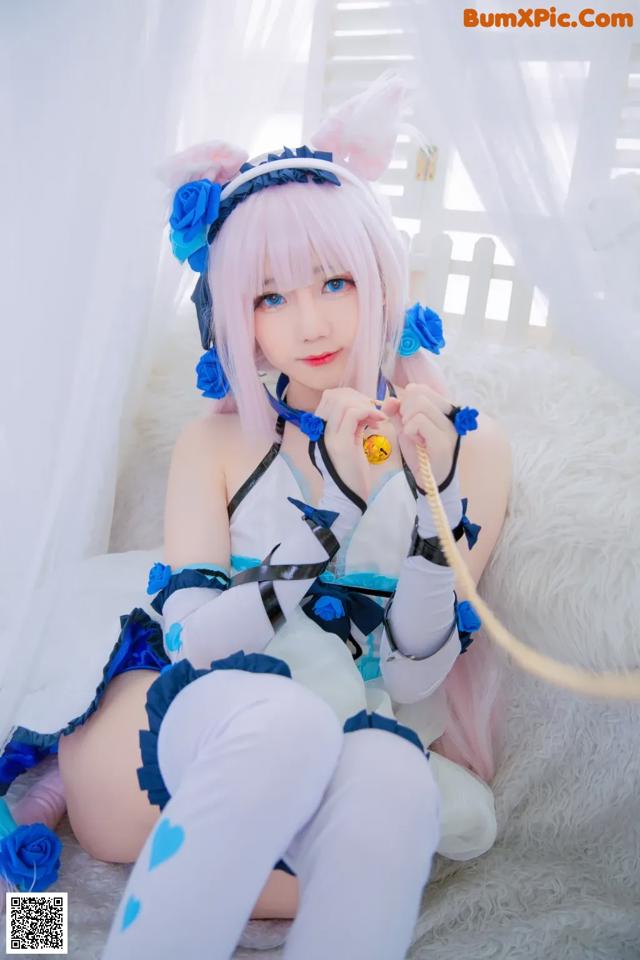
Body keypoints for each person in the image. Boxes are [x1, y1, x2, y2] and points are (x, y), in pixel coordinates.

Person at [0, 71, 511, 958]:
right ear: (235, 318)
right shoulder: (217, 443)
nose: (309, 322)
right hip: (187, 710)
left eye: (336, 281)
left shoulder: (470, 446)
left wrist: (419, 501)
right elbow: (194, 643)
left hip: (359, 713)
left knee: (392, 783)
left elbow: (419, 673)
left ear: (382, 274)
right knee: (274, 737)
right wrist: (320, 535)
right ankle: (31, 935)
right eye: (268, 298)